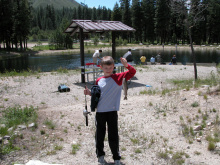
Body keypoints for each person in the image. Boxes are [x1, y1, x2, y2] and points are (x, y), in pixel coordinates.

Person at [84, 56, 136, 165]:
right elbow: (96, 95)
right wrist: (89, 93)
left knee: (113, 135)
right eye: (106, 67)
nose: (108, 69)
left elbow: (132, 72)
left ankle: (116, 158)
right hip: (100, 112)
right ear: (101, 67)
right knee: (100, 135)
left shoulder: (118, 77)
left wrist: (126, 65)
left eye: (110, 67)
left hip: (112, 112)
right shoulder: (98, 80)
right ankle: (100, 156)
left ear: (113, 67)